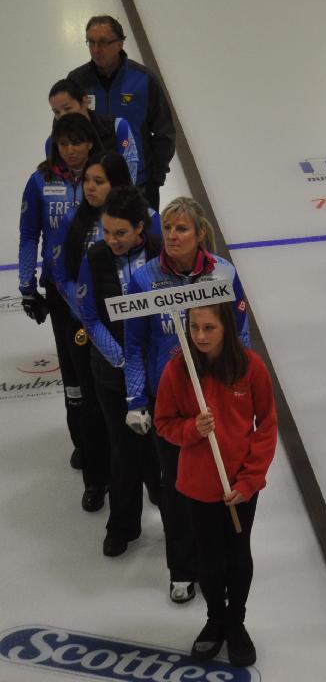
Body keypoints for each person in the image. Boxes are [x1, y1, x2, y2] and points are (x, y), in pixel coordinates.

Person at [124, 197, 251, 604]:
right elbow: (134, 345)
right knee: (176, 488)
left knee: (220, 482)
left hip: (216, 399)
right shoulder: (144, 278)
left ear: (199, 234)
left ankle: (221, 560)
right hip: (170, 404)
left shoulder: (223, 272)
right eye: (168, 228)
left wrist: (241, 388)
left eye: (182, 229)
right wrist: (135, 397)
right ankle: (181, 567)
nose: (173, 236)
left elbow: (241, 333)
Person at [155, 302, 278, 667]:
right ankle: (216, 619)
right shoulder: (178, 370)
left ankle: (236, 622)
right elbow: (163, 423)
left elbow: (267, 425)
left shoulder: (251, 367)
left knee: (238, 555)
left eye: (209, 327)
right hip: (198, 486)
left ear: (226, 326)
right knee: (208, 559)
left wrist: (250, 479)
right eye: (194, 327)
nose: (201, 336)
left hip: (239, 485)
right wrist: (192, 429)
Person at [56, 153, 144, 516]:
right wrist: (89, 316)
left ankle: (149, 483)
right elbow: (61, 275)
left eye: (99, 181)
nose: (89, 188)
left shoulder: (147, 221)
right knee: (94, 409)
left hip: (137, 344)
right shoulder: (73, 221)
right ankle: (96, 481)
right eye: (87, 181)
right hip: (89, 331)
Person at [77, 185, 163, 556]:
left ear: (140, 228)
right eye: (106, 231)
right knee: (123, 450)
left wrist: (151, 361)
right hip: (112, 375)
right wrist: (123, 359)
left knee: (160, 447)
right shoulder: (94, 257)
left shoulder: (161, 251)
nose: (111, 240)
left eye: (121, 233)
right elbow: (90, 317)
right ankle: (122, 527)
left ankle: (172, 513)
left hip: (158, 372)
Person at [18, 112, 101, 474]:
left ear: (90, 143)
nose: (70, 150)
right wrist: (26, 286)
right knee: (72, 371)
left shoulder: (103, 178)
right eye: (63, 143)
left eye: (77, 142)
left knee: (108, 368)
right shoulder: (40, 181)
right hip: (61, 293)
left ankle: (113, 438)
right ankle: (82, 441)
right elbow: (28, 235)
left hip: (102, 291)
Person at [68, 15, 175, 210]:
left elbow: (164, 132)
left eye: (103, 42)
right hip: (92, 187)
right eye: (91, 42)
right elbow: (65, 131)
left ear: (120, 44)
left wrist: (156, 178)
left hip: (139, 186)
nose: (96, 49)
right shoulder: (77, 81)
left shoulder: (144, 79)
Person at [46, 78, 140, 182]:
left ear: (85, 101)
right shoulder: (52, 142)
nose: (62, 116)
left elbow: (129, 177)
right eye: (57, 112)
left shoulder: (118, 127)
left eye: (67, 108)